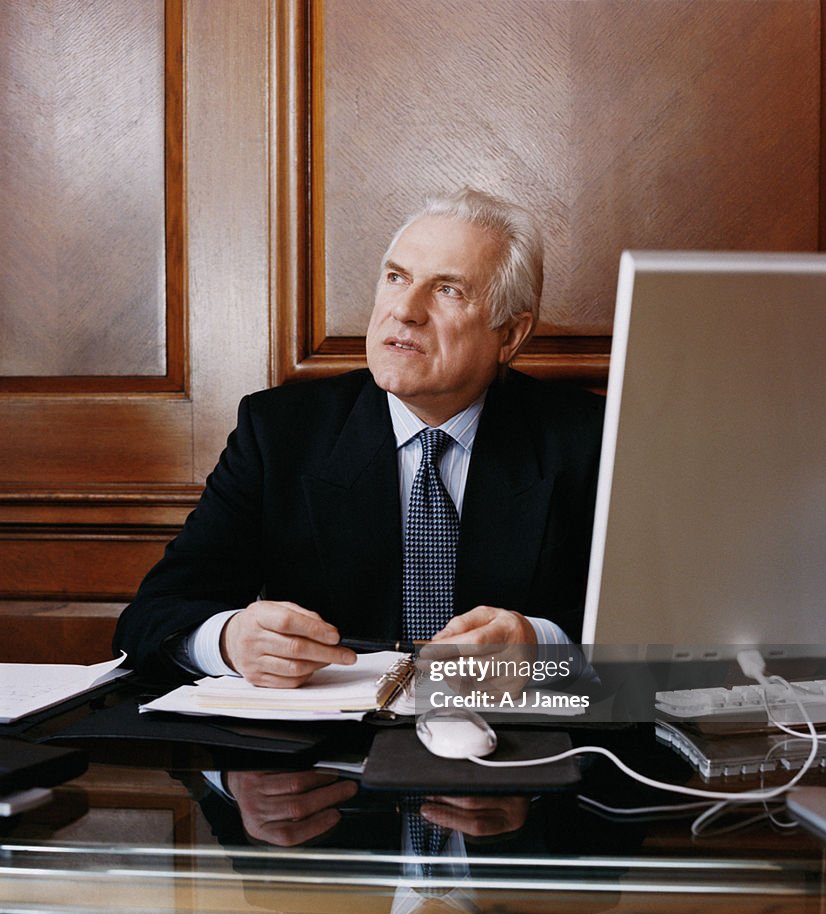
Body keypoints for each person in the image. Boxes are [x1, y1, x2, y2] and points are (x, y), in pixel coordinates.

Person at [114, 187, 604, 685]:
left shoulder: (590, 441)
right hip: (325, 751)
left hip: (518, 745)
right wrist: (228, 641)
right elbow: (150, 620)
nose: (405, 310)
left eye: (448, 290)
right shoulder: (279, 432)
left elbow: (666, 654)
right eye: (396, 278)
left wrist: (541, 649)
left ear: (510, 335)